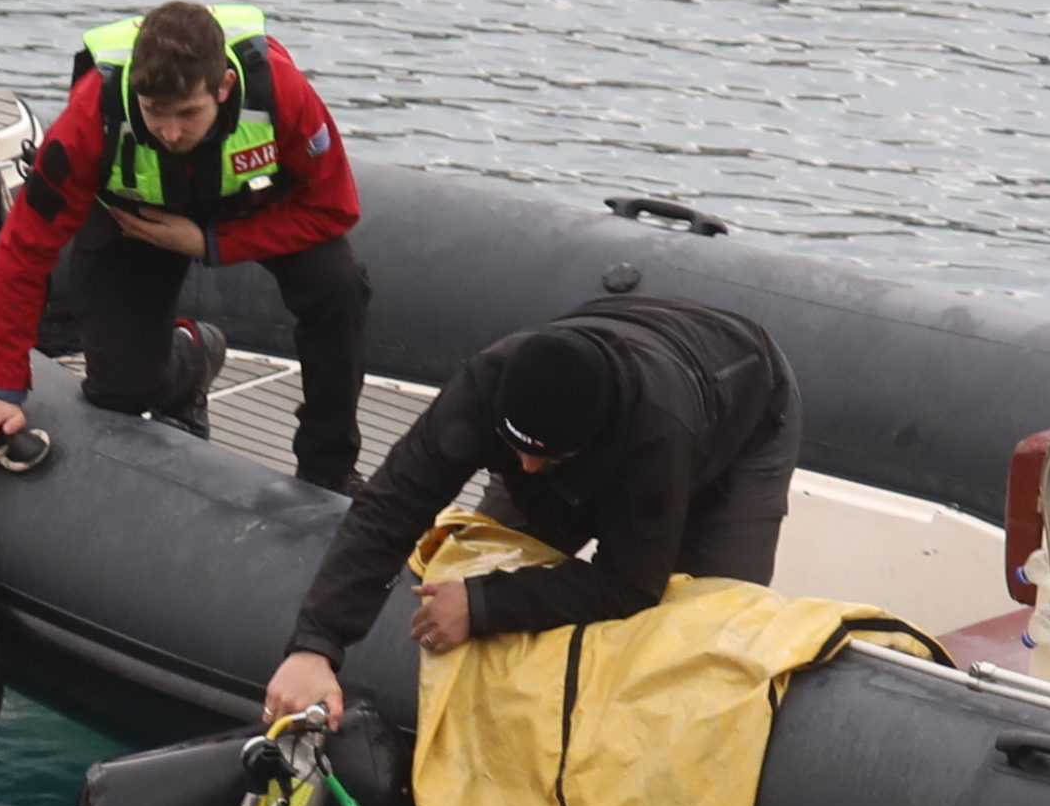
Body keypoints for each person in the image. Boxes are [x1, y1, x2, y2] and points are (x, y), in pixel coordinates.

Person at [264, 295, 801, 723]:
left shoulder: (657, 436)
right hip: (614, 362)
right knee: (495, 551)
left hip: (743, 414)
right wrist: (317, 644)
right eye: (514, 448)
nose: (525, 469)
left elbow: (630, 586)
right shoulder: (484, 387)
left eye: (546, 458)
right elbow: (391, 506)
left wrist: (483, 605)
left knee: (701, 627)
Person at [0, 1, 371, 493]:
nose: (170, 133)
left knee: (340, 286)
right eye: (155, 113)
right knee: (118, 389)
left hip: (248, 205)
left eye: (188, 113)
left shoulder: (281, 93)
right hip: (134, 219)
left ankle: (328, 465)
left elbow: (335, 207)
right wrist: (4, 389)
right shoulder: (91, 115)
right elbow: (24, 248)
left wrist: (211, 242)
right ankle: (193, 354)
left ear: (224, 88)